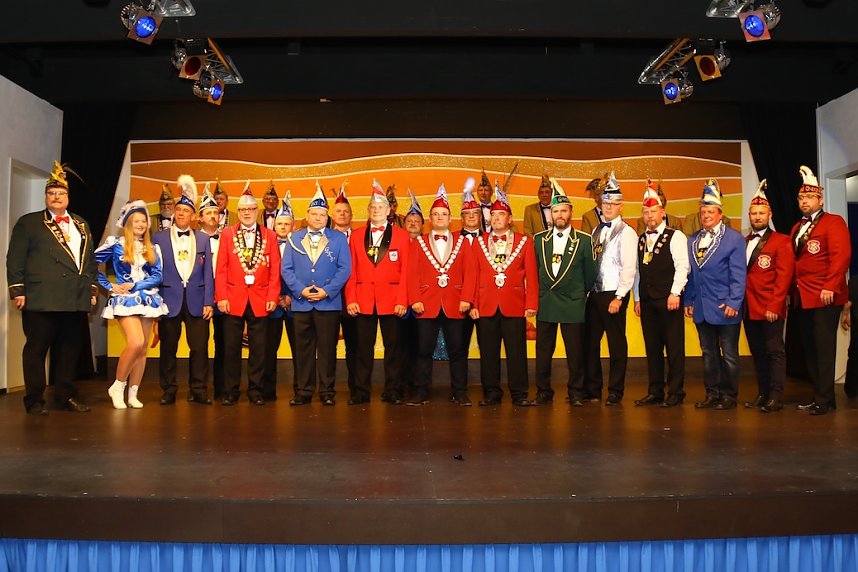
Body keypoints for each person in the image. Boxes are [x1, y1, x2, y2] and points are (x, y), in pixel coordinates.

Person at [7, 161, 98, 415]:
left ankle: (65, 396)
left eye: (61, 193)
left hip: (74, 298)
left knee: (69, 350)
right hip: (41, 297)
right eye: (51, 193)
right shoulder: (30, 223)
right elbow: (14, 258)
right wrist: (18, 290)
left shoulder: (81, 224)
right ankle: (34, 400)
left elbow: (89, 260)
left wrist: (91, 290)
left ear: (68, 196)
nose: (56, 197)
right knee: (36, 350)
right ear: (46, 196)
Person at [466, 184, 538, 406]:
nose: (496, 218)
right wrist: (472, 304)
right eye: (493, 214)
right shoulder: (478, 242)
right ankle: (492, 393)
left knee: (517, 351)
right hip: (486, 305)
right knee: (488, 352)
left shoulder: (524, 242)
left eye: (501, 215)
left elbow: (532, 276)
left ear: (509, 218)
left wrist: (531, 303)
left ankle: (519, 394)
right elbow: (473, 276)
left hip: (514, 304)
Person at [282, 185, 351, 405]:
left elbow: (344, 269)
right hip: (301, 304)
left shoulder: (338, 239)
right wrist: (300, 290)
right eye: (314, 214)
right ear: (307, 216)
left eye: (322, 215)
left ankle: (327, 392)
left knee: (328, 350)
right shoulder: (294, 238)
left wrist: (326, 291)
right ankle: (303, 391)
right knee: (303, 350)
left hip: (328, 304)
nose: (318, 218)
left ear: (327, 217)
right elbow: (286, 269)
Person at [790, 165, 851, 415]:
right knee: (811, 349)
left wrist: (830, 285)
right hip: (803, 297)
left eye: (810, 197)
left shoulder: (833, 222)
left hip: (824, 295)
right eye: (802, 198)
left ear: (820, 199)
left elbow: (841, 256)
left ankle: (825, 400)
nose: (805, 201)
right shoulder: (796, 228)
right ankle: (820, 396)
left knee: (824, 349)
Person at [407, 184, 474, 405]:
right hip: (426, 304)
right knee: (423, 350)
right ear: (430, 218)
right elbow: (412, 274)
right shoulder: (419, 243)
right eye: (435, 214)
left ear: (451, 218)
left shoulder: (464, 242)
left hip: (456, 304)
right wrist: (415, 299)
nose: (439, 217)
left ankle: (460, 392)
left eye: (443, 214)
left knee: (458, 350)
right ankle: (421, 392)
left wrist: (466, 298)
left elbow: (470, 273)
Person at [345, 179, 411, 405]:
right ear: (368, 210)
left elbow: (406, 272)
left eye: (380, 208)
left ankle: (393, 390)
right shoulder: (355, 236)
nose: (376, 211)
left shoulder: (402, 236)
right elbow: (350, 270)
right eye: (373, 208)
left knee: (394, 349)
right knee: (363, 349)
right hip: (363, 300)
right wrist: (351, 299)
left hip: (392, 300)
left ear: (388, 210)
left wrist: (403, 299)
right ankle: (361, 391)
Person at [215, 184, 281, 406]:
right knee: (231, 347)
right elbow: (221, 268)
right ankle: (231, 390)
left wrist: (273, 296)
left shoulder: (269, 235)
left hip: (261, 298)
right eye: (242, 210)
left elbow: (275, 270)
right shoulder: (227, 233)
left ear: (257, 210)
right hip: (233, 298)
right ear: (238, 211)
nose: (246, 213)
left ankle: (255, 389)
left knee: (259, 348)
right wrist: (221, 297)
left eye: (251, 209)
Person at [98, 200, 169, 409]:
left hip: (147, 298)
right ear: (128, 223)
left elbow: (157, 275)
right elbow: (91, 265)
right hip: (125, 299)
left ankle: (133, 392)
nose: (141, 224)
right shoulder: (115, 243)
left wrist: (137, 285)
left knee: (143, 348)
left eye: (144, 220)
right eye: (136, 220)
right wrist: (109, 285)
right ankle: (118, 386)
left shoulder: (153, 247)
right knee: (136, 342)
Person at [684, 179, 746, 410]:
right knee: (708, 353)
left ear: (720, 214)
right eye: (703, 212)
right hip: (701, 308)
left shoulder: (734, 239)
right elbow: (692, 275)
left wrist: (734, 302)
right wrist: (689, 300)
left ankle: (729, 395)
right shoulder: (693, 241)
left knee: (729, 354)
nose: (706, 215)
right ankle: (712, 393)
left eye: (710, 211)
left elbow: (739, 274)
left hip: (725, 307)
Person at [152, 175, 214, 405]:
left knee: (199, 348)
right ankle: (169, 389)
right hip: (169, 300)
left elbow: (208, 272)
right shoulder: (157, 238)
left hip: (197, 301)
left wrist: (209, 301)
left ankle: (198, 388)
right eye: (177, 210)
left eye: (185, 211)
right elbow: (153, 273)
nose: (180, 214)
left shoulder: (203, 239)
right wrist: (155, 302)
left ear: (194, 216)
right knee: (168, 348)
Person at [533, 178, 596, 406]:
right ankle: (543, 392)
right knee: (542, 354)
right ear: (550, 214)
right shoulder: (539, 240)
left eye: (563, 211)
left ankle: (576, 393)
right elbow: (534, 270)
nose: (559, 214)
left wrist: (579, 293)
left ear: (570, 213)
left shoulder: (583, 240)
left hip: (573, 303)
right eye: (555, 210)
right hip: (547, 302)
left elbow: (590, 274)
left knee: (575, 353)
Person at [632, 180, 690, 408]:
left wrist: (675, 293)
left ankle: (676, 392)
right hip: (647, 301)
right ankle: (655, 390)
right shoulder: (640, 239)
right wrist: (637, 298)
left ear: (662, 212)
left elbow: (682, 266)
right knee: (652, 348)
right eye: (646, 212)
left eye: (653, 211)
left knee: (674, 348)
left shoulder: (675, 236)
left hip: (669, 301)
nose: (649, 215)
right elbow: (637, 271)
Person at [584, 172, 638, 405]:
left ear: (621, 206)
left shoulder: (627, 233)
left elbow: (629, 268)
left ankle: (615, 391)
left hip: (614, 294)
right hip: (595, 294)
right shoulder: (596, 230)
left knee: (616, 343)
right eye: (605, 203)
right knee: (590, 342)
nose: (607, 207)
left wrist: (620, 297)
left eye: (612, 204)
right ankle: (593, 390)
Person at [742, 180, 794, 413]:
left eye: (762, 213)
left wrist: (775, 304)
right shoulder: (743, 241)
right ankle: (762, 394)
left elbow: (784, 278)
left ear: (770, 214)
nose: (757, 216)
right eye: (753, 213)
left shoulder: (781, 241)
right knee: (758, 353)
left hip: (770, 306)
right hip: (748, 307)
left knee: (774, 352)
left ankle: (776, 396)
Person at [262, 192, 298, 402]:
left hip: (295, 304)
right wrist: (275, 297)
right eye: (280, 223)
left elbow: (305, 274)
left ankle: (300, 390)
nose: (283, 227)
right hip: (272, 305)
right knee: (268, 351)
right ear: (274, 225)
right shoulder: (266, 245)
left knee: (300, 351)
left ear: (293, 226)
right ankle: (267, 392)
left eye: (287, 224)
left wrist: (291, 297)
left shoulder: (300, 246)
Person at [197, 188, 228, 400]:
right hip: (198, 296)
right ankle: (197, 388)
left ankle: (221, 388)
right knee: (198, 344)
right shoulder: (192, 240)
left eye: (216, 213)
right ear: (200, 218)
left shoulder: (227, 238)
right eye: (208, 213)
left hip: (223, 295)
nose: (213, 216)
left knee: (224, 342)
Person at [329, 182, 359, 397]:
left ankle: (356, 389)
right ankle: (327, 389)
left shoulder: (361, 238)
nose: (342, 214)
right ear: (332, 214)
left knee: (355, 347)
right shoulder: (322, 238)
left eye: (345, 211)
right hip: (329, 299)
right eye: (338, 211)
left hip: (355, 299)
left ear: (351, 215)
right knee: (327, 346)